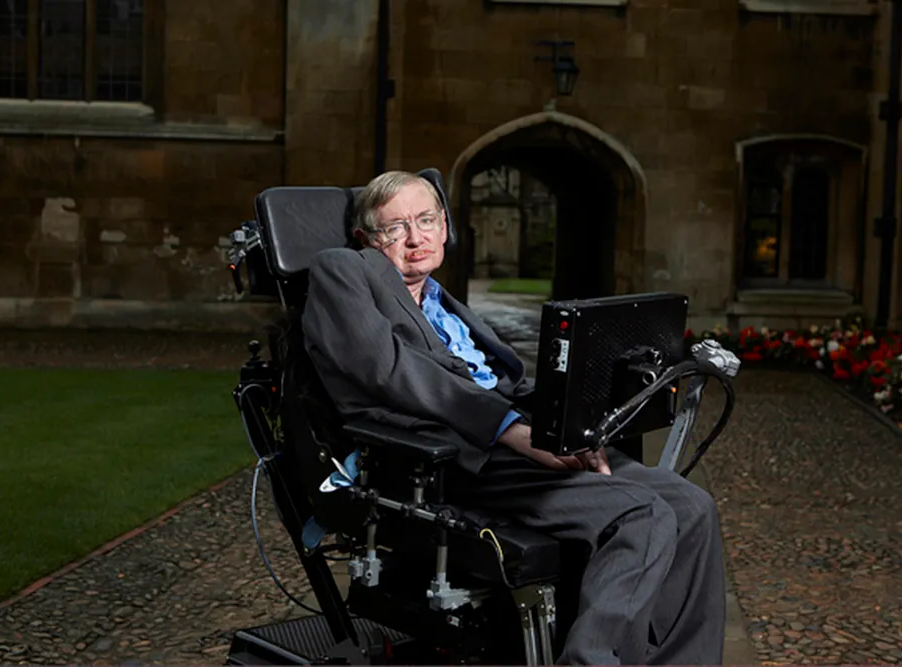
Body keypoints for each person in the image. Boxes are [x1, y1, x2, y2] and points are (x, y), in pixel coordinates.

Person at [301, 170, 725, 666]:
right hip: (448, 456)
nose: (415, 238)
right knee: (643, 516)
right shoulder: (343, 270)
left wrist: (576, 421)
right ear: (366, 240)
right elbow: (391, 371)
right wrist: (512, 430)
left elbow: (507, 382)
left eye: (426, 220)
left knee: (693, 508)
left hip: (512, 438)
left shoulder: (442, 301)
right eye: (395, 229)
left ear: (445, 226)